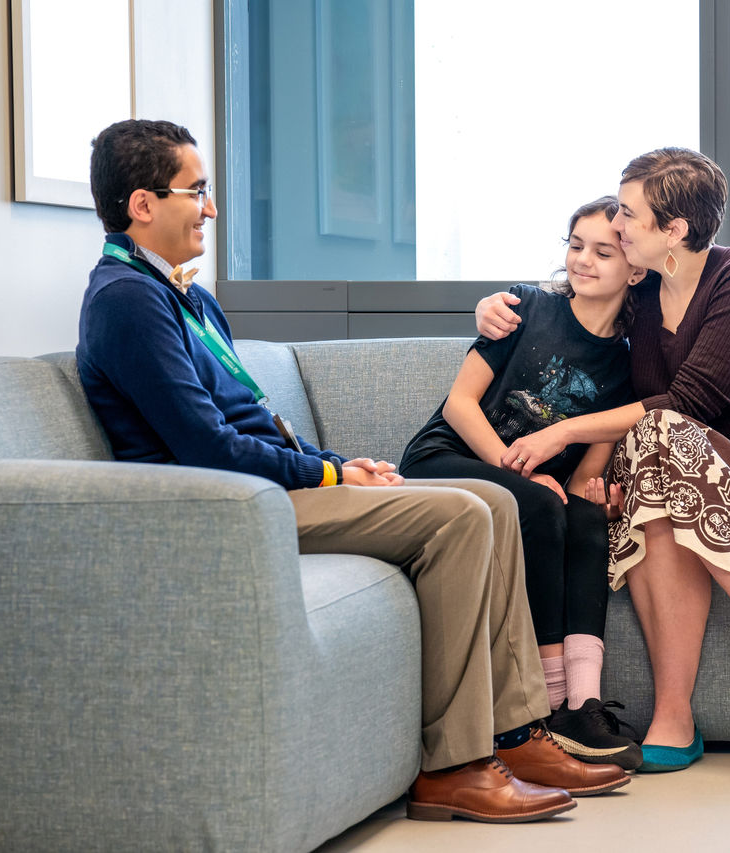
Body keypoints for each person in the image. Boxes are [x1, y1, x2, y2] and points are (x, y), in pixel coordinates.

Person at [78, 119, 628, 824]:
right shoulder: (127, 300)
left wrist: (338, 464)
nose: (211, 208)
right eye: (198, 190)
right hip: (227, 503)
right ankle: (454, 765)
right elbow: (206, 446)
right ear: (142, 205)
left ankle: (516, 736)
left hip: (270, 484)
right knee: (463, 516)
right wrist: (331, 479)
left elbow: (253, 421)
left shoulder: (189, 298)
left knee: (492, 504)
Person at [476, 148, 730, 773]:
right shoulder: (641, 294)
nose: (616, 224)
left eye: (627, 214)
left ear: (674, 230)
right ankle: (675, 714)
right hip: (661, 478)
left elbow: (691, 403)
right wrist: (493, 307)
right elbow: (569, 305)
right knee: (652, 495)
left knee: (663, 424)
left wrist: (564, 433)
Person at [400, 197, 651, 770]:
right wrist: (523, 471)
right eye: (576, 245)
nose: (583, 260)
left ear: (634, 270)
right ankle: (546, 704)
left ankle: (583, 704)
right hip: (444, 459)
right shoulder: (525, 307)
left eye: (603, 252)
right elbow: (460, 406)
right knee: (539, 503)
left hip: (532, 491)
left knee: (582, 515)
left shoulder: (625, 365)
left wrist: (597, 499)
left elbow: (584, 475)